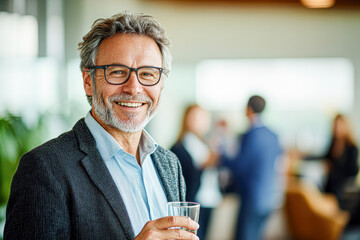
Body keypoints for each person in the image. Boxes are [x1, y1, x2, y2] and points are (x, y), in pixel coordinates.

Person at [4, 12, 199, 240]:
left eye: (147, 74)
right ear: (88, 81)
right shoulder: (45, 168)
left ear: (161, 84)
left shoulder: (169, 164)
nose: (134, 88)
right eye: (117, 72)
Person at [233, 95, 283, 240]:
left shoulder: (249, 135)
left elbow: (240, 166)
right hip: (269, 198)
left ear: (248, 109)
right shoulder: (273, 135)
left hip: (251, 198)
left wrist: (221, 158)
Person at [171, 104, 221, 240]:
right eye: (196, 117)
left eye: (202, 117)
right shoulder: (179, 147)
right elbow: (181, 177)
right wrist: (203, 165)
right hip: (192, 201)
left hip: (209, 198)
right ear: (187, 118)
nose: (200, 121)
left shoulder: (206, 142)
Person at [323, 114, 359, 206]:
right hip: (329, 186)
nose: (337, 128)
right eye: (336, 125)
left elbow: (353, 171)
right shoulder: (333, 144)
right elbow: (324, 157)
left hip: (342, 189)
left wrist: (333, 169)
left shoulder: (352, 148)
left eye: (339, 125)